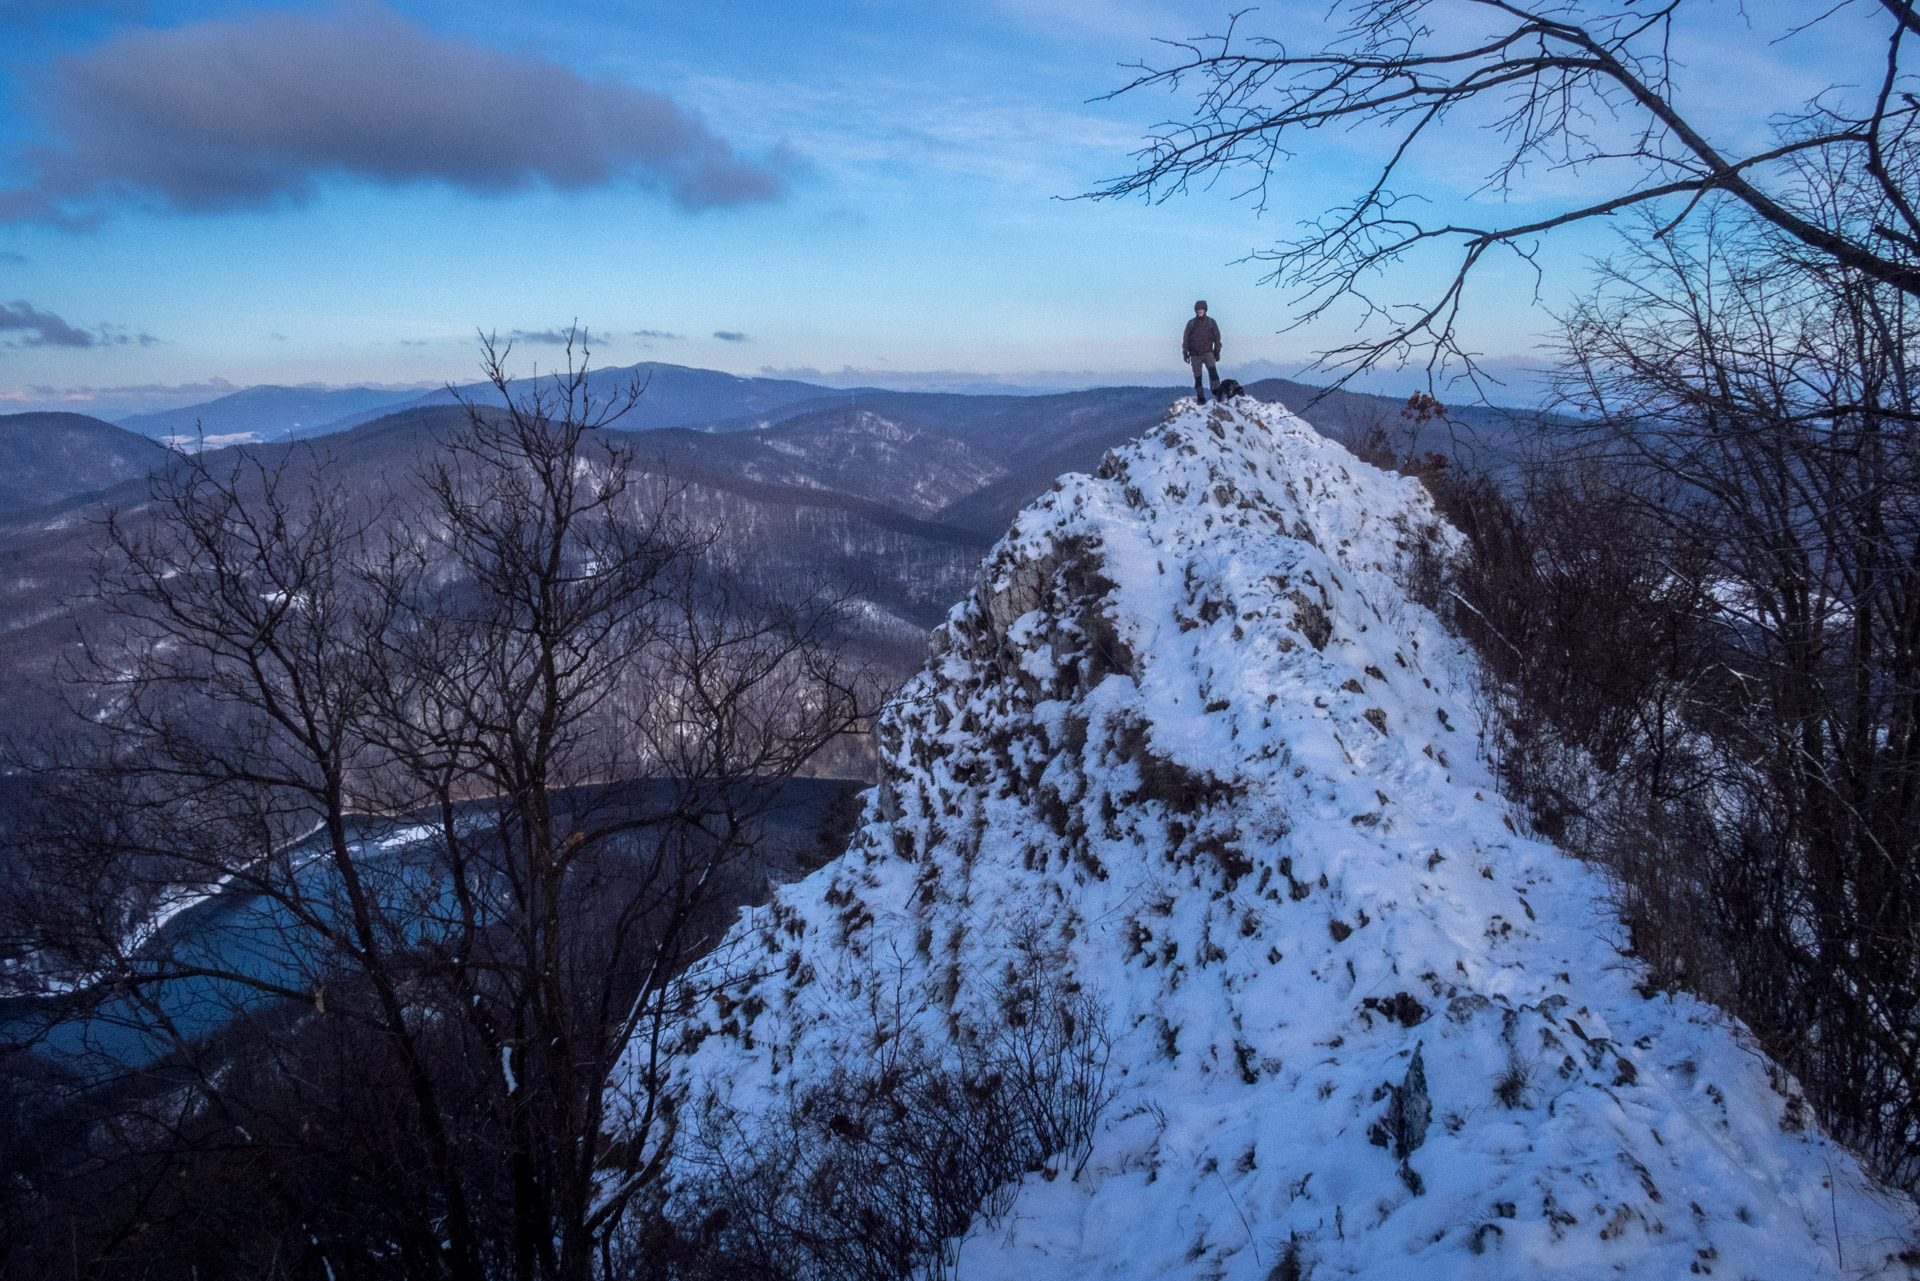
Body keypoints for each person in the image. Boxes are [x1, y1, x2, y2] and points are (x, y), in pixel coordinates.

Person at [1182, 301, 1222, 403]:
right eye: (1198, 309)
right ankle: (1200, 397)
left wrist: (1217, 351)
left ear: (1205, 310)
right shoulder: (1191, 323)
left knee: (1213, 373)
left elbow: (1217, 338)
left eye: (1202, 309)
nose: (1200, 311)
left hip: (1208, 352)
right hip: (1195, 355)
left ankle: (1217, 393)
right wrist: (1185, 352)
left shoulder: (1211, 322)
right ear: (1196, 310)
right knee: (1198, 377)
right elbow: (1186, 339)